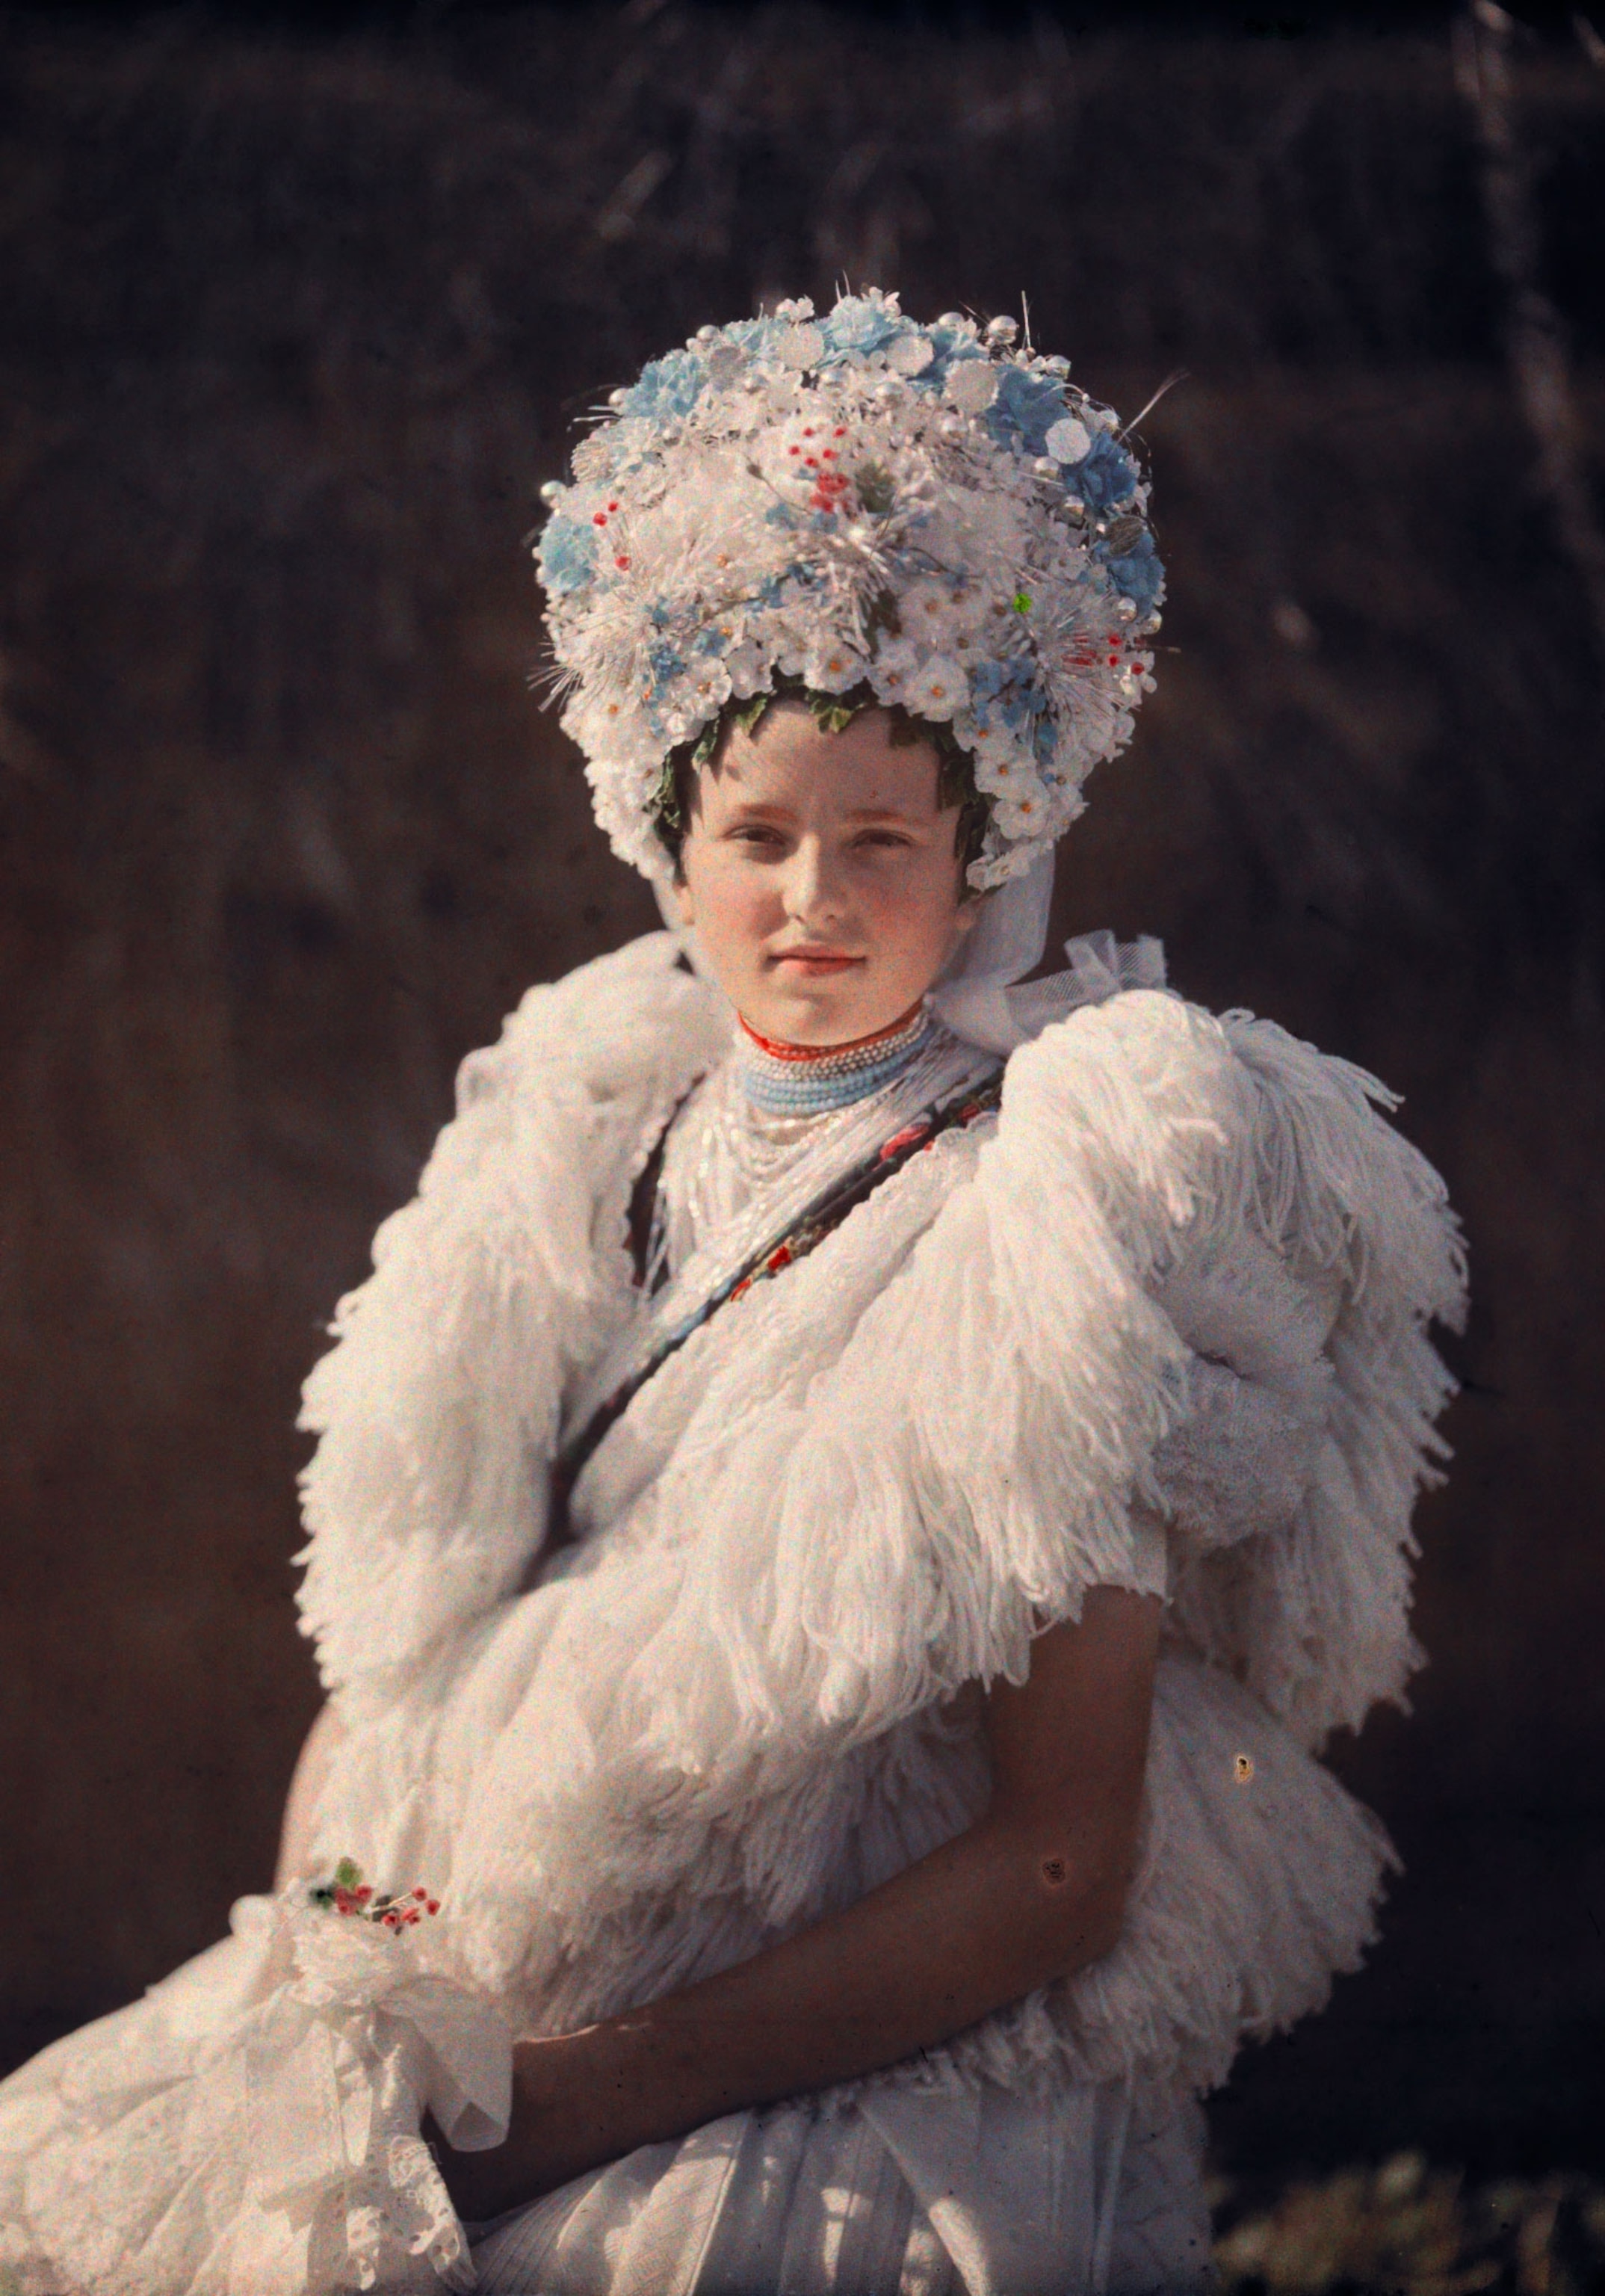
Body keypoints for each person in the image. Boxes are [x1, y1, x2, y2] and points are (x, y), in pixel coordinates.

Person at [0, 290, 1466, 2296]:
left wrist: (595, 2099)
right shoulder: (583, 1137)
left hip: (823, 2047)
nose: (809, 899)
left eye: (881, 840)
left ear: (979, 861)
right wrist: (333, 1972)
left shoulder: (1067, 1185)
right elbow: (412, 1636)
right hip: (468, 1963)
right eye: (756, 835)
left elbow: (1062, 1854)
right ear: (665, 851)